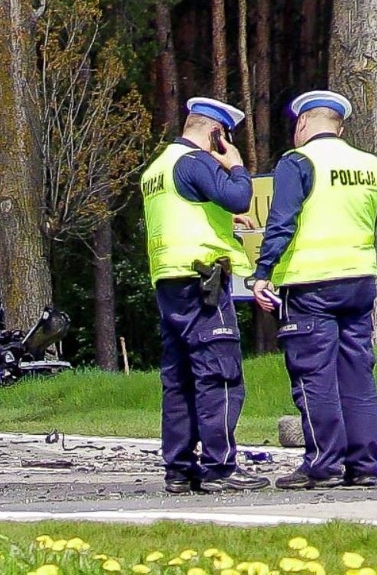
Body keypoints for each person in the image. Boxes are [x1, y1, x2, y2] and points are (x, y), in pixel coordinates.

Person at [247, 90, 377, 490]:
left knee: (314, 375)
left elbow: (282, 220)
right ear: (340, 127)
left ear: (302, 124)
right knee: (357, 375)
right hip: (359, 279)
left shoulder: (298, 162)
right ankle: (364, 465)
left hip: (311, 284)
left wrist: (262, 272)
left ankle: (323, 464)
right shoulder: (368, 164)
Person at [141, 97, 270, 493]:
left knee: (178, 378)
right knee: (220, 374)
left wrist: (222, 219)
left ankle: (179, 469)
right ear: (216, 134)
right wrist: (235, 166)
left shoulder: (157, 168)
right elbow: (237, 196)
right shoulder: (195, 161)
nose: (226, 146)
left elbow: (188, 207)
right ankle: (221, 468)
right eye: (225, 139)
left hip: (169, 282)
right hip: (203, 284)